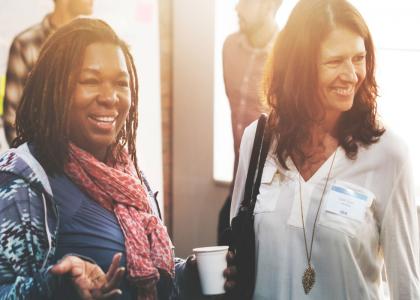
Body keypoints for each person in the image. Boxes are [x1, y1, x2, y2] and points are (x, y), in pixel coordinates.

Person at [0, 18, 204, 300]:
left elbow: (148, 276)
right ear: (55, 90)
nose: (110, 98)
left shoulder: (126, 174)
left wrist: (191, 274)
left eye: (121, 83)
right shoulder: (26, 179)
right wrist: (57, 287)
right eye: (91, 81)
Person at [230, 0, 420, 299]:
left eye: (359, 58)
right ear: (298, 67)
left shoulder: (389, 155)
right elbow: (238, 256)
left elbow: (407, 287)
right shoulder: (258, 140)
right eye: (334, 62)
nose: (352, 74)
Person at [218, 0, 283, 245]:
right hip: (239, 176)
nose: (237, 8)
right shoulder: (230, 47)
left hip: (270, 187)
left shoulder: (287, 56)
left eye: (245, 2)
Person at [2, 0, 94, 145]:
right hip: (39, 159)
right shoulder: (26, 45)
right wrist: (34, 163)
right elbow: (12, 118)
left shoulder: (93, 46)